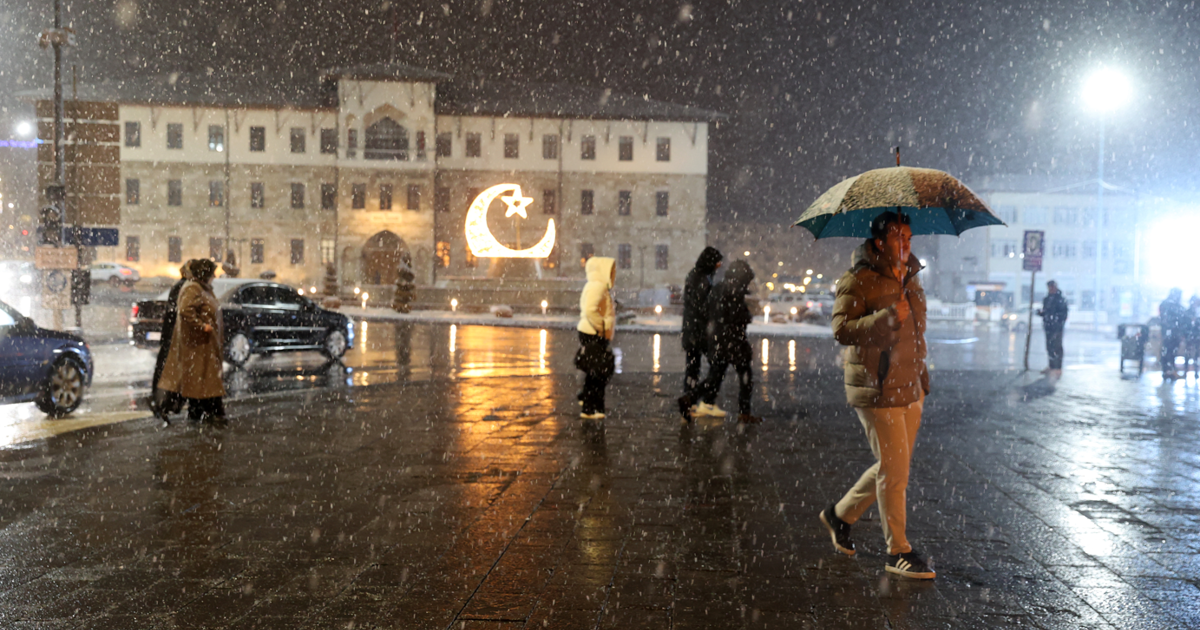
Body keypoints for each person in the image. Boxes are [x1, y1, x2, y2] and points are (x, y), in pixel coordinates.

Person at [818, 211, 935, 580]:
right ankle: (897, 550)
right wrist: (884, 318)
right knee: (895, 469)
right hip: (877, 386)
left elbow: (915, 332)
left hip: (910, 386)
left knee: (893, 467)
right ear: (880, 241)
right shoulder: (858, 279)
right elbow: (841, 328)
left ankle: (840, 515)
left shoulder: (911, 279)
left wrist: (921, 369)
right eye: (899, 237)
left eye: (910, 237)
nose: (906, 244)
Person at [677, 259, 762, 424]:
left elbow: (710, 312)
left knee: (714, 378)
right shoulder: (734, 290)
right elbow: (737, 317)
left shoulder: (718, 288)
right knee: (745, 376)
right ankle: (744, 413)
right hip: (734, 342)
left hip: (718, 340)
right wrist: (747, 316)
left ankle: (689, 398)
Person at [158, 258, 228, 425]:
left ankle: (199, 411)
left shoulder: (202, 288)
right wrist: (202, 326)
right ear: (205, 274)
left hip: (204, 344)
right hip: (197, 344)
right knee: (202, 380)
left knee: (202, 380)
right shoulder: (193, 288)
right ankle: (212, 413)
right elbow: (185, 310)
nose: (215, 276)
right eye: (212, 273)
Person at [680, 247, 724, 416]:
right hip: (699, 332)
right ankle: (706, 401)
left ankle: (689, 401)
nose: (719, 265)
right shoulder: (700, 278)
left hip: (693, 331)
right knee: (718, 364)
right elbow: (702, 307)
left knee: (692, 367)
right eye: (717, 262)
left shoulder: (699, 276)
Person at [150, 260, 195, 423]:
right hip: (175, 338)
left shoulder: (181, 286)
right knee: (170, 373)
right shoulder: (185, 288)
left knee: (168, 371)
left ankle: (164, 403)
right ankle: (164, 404)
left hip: (172, 337)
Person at [576, 256, 616, 420]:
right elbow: (590, 310)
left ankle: (589, 402)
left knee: (596, 371)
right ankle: (591, 408)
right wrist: (601, 329)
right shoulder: (597, 287)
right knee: (599, 372)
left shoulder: (596, 285)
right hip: (593, 333)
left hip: (592, 332)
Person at [1036, 280, 1069, 375]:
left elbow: (1063, 314)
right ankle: (1051, 366)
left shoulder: (1060, 299)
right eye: (1049, 287)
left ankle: (1058, 367)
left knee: (1057, 347)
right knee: (1049, 346)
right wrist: (1041, 313)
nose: (1051, 289)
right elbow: (1047, 312)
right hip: (1048, 327)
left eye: (1052, 287)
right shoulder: (1047, 299)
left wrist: (1057, 323)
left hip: (1056, 328)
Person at [1159, 288, 1186, 379]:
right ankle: (1169, 371)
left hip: (1170, 333)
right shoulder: (1173, 306)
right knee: (1170, 353)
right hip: (1172, 333)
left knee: (1168, 352)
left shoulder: (1167, 304)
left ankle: (1167, 371)